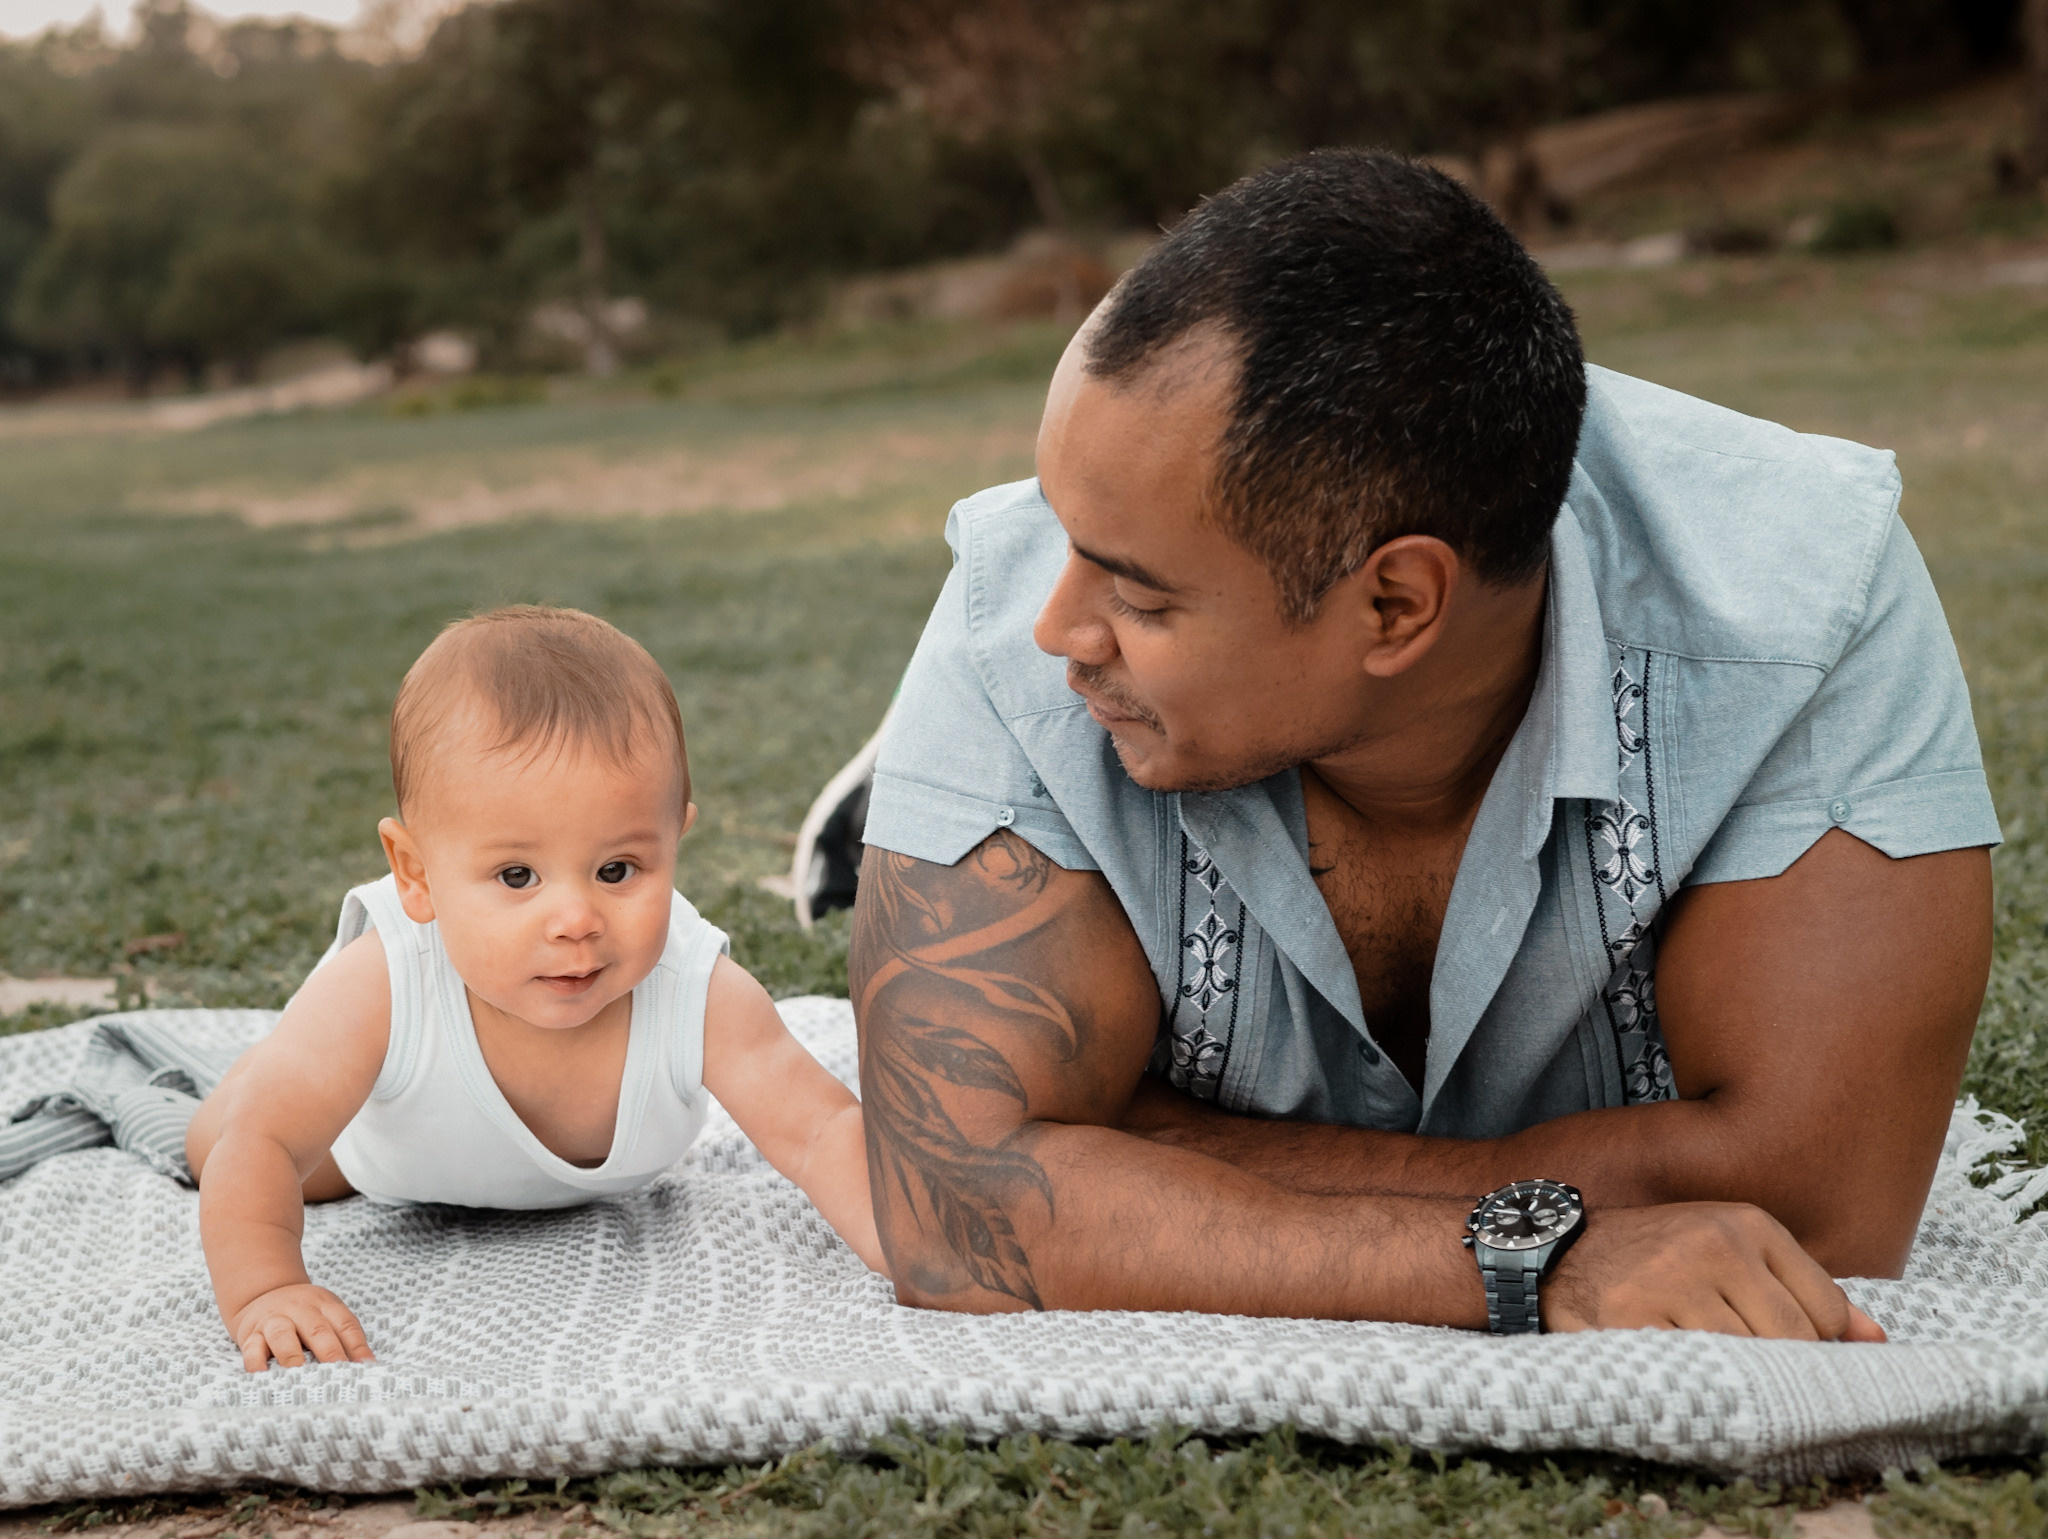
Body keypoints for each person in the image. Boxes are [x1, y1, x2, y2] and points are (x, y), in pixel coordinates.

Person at [848, 149, 2000, 1338]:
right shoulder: (1017, 613)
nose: (1055, 627)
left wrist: (1143, 1150)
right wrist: (1532, 1262)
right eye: (1063, 536)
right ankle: (884, 803)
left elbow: (1824, 1209)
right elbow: (951, 1198)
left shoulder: (1798, 604)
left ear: (1396, 604)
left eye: (1139, 598)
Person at [187, 606, 884, 1371]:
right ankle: (257, 1068)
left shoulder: (696, 989)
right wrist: (265, 1288)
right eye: (517, 876)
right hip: (385, 1154)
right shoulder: (388, 978)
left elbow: (819, 1132)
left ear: (674, 839)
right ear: (416, 874)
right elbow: (266, 1142)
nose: (576, 919)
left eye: (617, 870)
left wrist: (910, 1241)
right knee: (233, 1139)